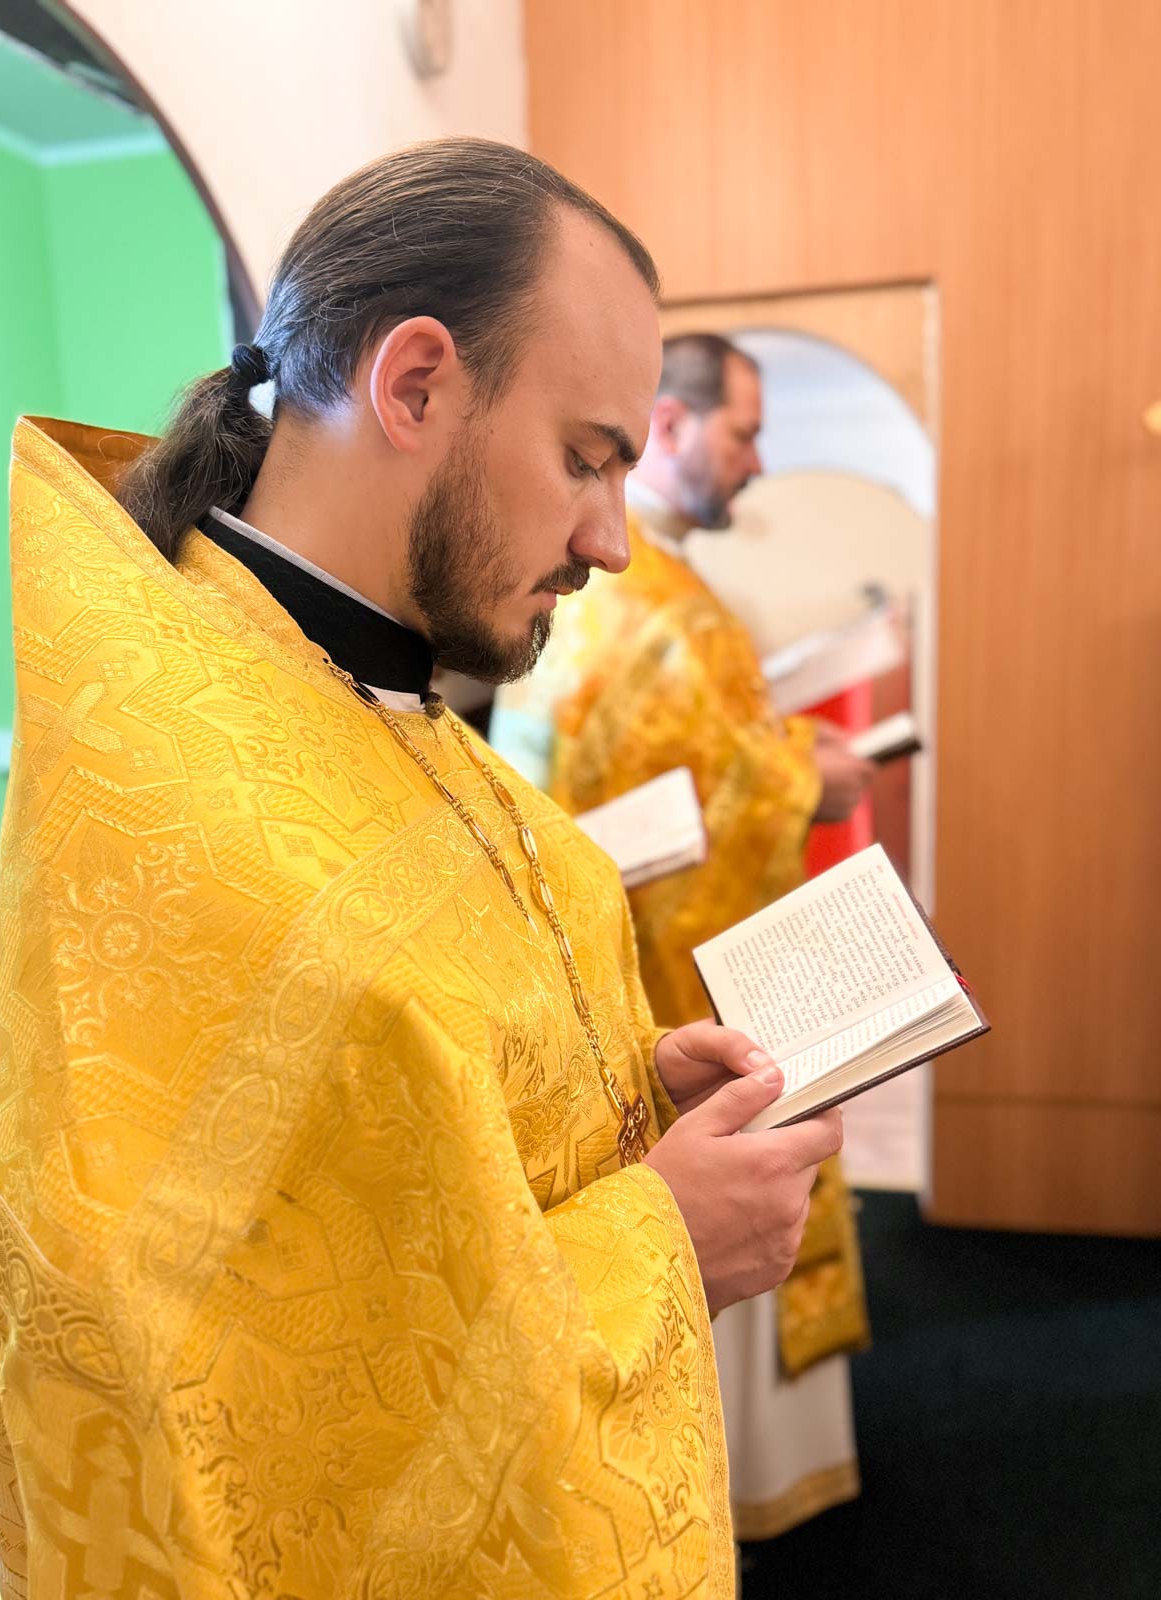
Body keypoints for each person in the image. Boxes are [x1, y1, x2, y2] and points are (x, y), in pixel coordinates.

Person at [0, 141, 844, 1598]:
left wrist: (620, 1101)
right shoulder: (179, 783)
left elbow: (392, 1146)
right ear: (416, 384)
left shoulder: (382, 702)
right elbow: (204, 1401)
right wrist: (662, 1239)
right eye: (586, 458)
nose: (614, 540)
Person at [492, 331, 874, 1541]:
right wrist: (802, 778)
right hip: (676, 977)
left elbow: (667, 759)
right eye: (745, 433)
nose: (757, 461)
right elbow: (698, 780)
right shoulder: (650, 597)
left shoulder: (610, 583)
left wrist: (773, 755)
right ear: (674, 423)